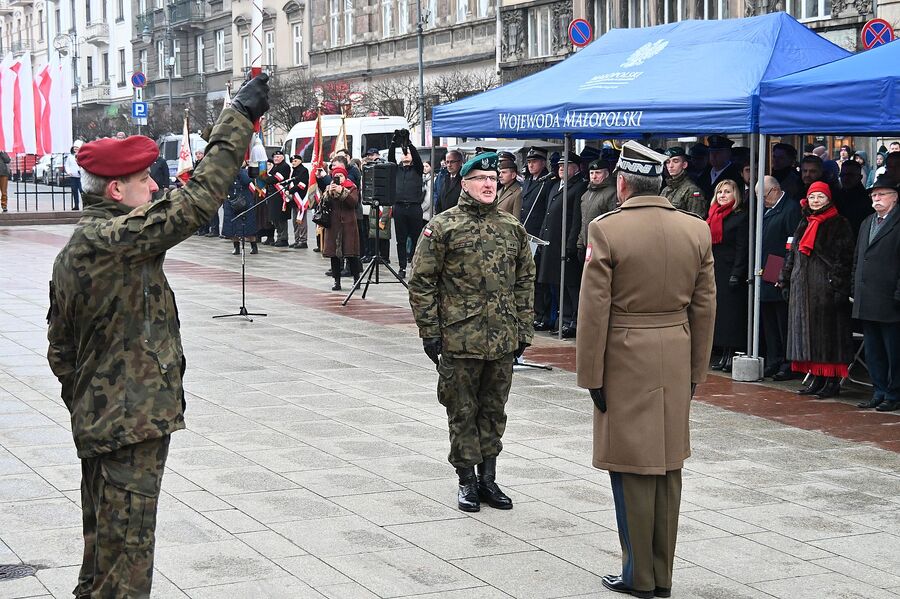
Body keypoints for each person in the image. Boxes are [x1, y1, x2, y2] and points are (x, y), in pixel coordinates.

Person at [45, 74, 269, 599]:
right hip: (126, 426)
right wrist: (237, 117)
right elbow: (194, 204)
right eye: (146, 181)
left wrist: (89, 399)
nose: (155, 188)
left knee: (103, 554)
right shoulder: (111, 238)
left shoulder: (85, 244)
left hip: (110, 421)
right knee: (125, 564)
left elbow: (60, 348)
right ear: (117, 190)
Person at [576, 141, 715, 599]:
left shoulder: (607, 230)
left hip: (624, 352)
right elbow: (704, 307)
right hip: (675, 350)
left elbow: (593, 310)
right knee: (667, 464)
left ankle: (639, 574)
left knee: (631, 465)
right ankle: (661, 573)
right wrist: (697, 371)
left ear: (622, 183)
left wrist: (590, 375)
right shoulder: (696, 230)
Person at [408, 152, 535, 513]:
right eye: (480, 178)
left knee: (494, 411)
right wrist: (429, 332)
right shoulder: (443, 226)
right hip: (459, 338)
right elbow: (421, 282)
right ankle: (466, 480)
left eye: (493, 179)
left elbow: (525, 282)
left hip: (502, 338)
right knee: (462, 410)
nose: (488, 184)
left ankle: (488, 479)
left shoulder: (512, 228)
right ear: (464, 184)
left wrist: (524, 329)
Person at [779, 181, 855, 399]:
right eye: (812, 197)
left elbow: (844, 258)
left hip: (826, 290)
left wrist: (838, 286)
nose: (815, 201)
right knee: (809, 336)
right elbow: (792, 254)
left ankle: (832, 381)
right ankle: (817, 377)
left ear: (829, 199)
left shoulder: (839, 223)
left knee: (829, 337)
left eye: (820, 197)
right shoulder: (804, 222)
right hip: (802, 289)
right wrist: (785, 279)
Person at [852, 175, 900, 411]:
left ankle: (894, 393)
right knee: (873, 351)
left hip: (890, 298)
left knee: (894, 351)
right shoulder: (867, 222)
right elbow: (858, 258)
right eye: (873, 195)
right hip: (867, 297)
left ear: (895, 197)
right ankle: (879, 390)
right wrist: (855, 287)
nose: (876, 198)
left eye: (882, 194)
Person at [537, 152, 587, 338]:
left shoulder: (578, 187)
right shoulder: (556, 186)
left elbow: (576, 219)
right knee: (557, 284)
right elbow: (548, 214)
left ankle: (573, 320)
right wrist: (542, 236)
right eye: (559, 166)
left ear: (576, 168)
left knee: (570, 285)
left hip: (565, 242)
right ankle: (563, 319)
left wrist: (571, 243)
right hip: (552, 242)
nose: (561, 169)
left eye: (566, 166)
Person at [759, 176, 801, 380]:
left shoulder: (790, 209)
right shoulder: (766, 208)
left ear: (775, 190)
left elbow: (791, 243)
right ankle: (773, 358)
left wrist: (783, 272)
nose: (762, 200)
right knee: (768, 319)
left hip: (779, 268)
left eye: (764, 195)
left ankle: (787, 361)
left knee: (782, 318)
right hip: (765, 267)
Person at [707, 179, 749, 373]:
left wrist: (737, 273)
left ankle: (732, 353)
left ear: (736, 195)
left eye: (727, 192)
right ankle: (723, 353)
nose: (722, 195)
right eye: (720, 192)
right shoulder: (713, 215)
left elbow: (742, 248)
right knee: (720, 314)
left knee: (732, 315)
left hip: (732, 270)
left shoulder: (740, 217)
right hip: (715, 269)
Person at [387, 129, 425, 279]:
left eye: (407, 153)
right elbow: (390, 158)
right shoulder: (396, 170)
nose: (406, 155)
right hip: (400, 207)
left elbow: (417, 158)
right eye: (404, 153)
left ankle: (416, 265)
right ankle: (402, 266)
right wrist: (393, 142)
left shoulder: (417, 169)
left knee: (416, 238)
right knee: (401, 239)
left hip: (414, 207)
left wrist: (409, 144)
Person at [322, 164, 362, 290]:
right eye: (336, 176)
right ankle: (336, 281)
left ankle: (356, 280)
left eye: (340, 176)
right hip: (333, 225)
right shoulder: (329, 188)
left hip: (349, 224)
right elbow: (324, 204)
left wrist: (342, 192)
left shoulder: (352, 187)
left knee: (351, 254)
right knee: (334, 255)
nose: (338, 178)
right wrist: (328, 194)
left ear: (345, 177)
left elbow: (353, 203)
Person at [575, 158, 617, 262]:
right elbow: (583, 221)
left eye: (598, 173)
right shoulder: (586, 195)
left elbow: (615, 222)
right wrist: (580, 243)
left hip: (602, 246)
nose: (594, 176)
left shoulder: (612, 193)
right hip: (587, 245)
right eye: (591, 173)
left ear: (606, 174)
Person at [222, 164, 259, 255]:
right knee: (231, 226)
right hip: (230, 200)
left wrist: (239, 170)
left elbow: (247, 180)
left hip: (244, 201)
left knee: (248, 225)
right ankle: (236, 246)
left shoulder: (244, 172)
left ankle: (253, 246)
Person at [660, 147, 706, 217]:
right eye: (668, 162)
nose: (670, 166)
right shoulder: (665, 190)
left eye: (675, 161)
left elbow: (696, 220)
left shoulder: (692, 190)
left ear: (684, 165)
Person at [836, 159, 874, 238]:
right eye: (843, 175)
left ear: (860, 177)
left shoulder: (867, 200)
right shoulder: (837, 196)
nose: (846, 178)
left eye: (851, 175)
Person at [698, 135, 743, 201]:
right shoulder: (705, 173)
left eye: (718, 152)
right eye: (711, 152)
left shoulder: (735, 174)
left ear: (728, 153)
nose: (714, 156)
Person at [263, 150, 292, 247]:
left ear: (283, 157)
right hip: (273, 195)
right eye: (275, 157)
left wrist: (266, 179)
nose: (276, 159)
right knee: (275, 218)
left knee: (281, 218)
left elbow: (276, 179)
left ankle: (283, 239)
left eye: (278, 157)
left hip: (280, 196)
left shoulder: (285, 167)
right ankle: (279, 237)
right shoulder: (275, 167)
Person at [288, 154, 310, 248]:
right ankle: (297, 239)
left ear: (300, 161)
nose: (293, 162)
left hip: (301, 198)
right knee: (295, 221)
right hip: (294, 198)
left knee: (301, 220)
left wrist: (290, 191)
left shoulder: (303, 171)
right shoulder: (294, 171)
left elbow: (302, 185)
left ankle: (303, 240)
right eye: (292, 161)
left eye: (295, 161)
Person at [64, 141, 84, 210]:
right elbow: (67, 165)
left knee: (82, 191)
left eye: (77, 147)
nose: (75, 149)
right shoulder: (70, 156)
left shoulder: (83, 155)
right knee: (74, 191)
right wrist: (69, 172)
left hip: (81, 177)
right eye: (74, 147)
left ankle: (85, 205)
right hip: (73, 176)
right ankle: (76, 205)